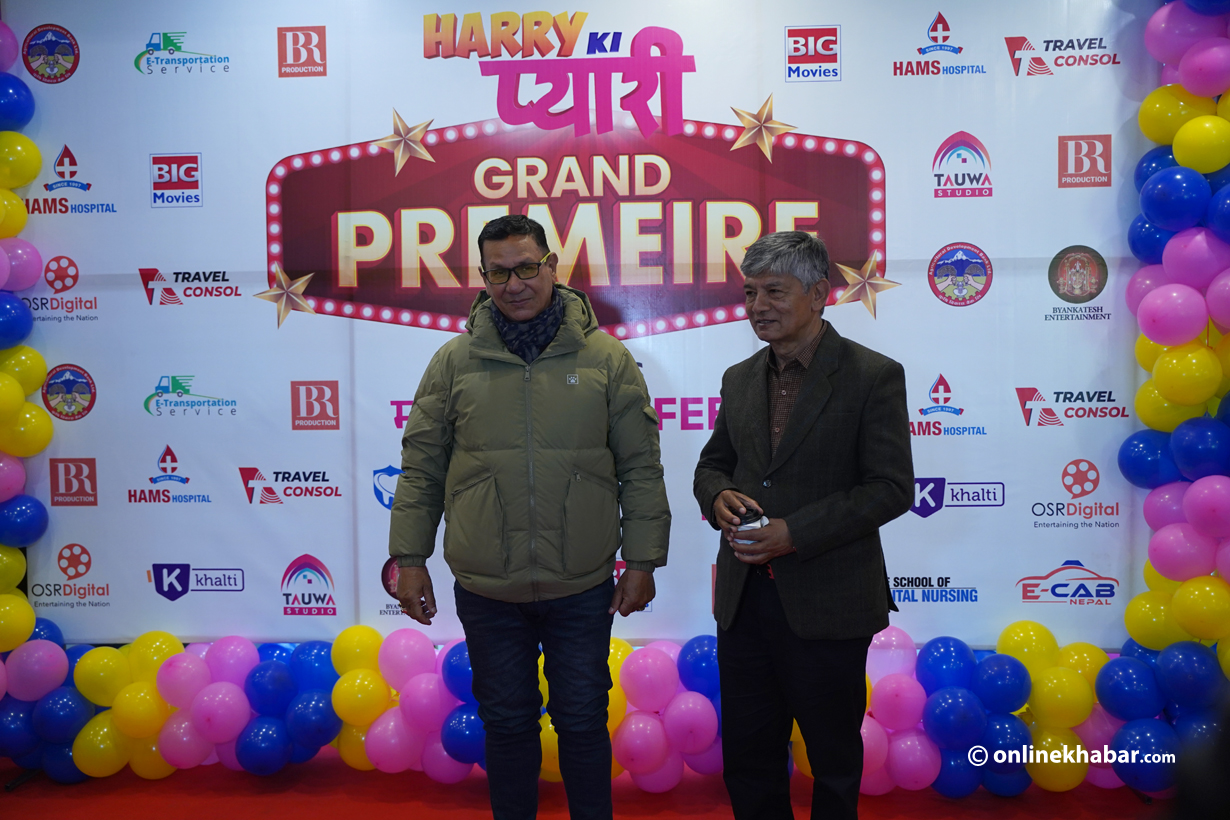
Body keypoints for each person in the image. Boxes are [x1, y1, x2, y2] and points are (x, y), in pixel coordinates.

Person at [390, 214, 670, 820]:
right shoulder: (453, 362)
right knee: (507, 724)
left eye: (525, 267)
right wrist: (409, 559)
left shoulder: (606, 359)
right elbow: (421, 470)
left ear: (551, 266)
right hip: (488, 589)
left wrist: (644, 560)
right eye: (498, 273)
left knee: (583, 722)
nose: (514, 284)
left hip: (581, 585)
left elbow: (641, 468)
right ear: (482, 276)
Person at [693, 231, 913, 820]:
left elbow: (891, 488)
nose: (757, 305)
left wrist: (795, 532)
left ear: (818, 294)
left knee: (833, 763)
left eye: (774, 291)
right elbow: (713, 465)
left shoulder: (872, 375)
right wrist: (717, 496)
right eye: (750, 292)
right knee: (749, 760)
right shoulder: (739, 377)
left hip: (829, 602)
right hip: (744, 603)